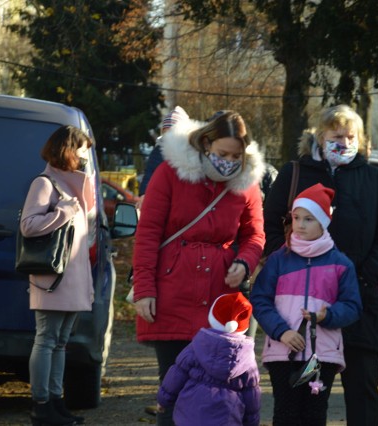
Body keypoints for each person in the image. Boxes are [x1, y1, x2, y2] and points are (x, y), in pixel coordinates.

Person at [263, 105, 378, 425]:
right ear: (320, 136)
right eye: (336, 135)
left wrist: (367, 275)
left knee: (363, 389)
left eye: (350, 136)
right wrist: (287, 270)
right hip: (302, 305)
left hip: (359, 302)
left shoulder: (374, 179)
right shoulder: (295, 173)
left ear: (361, 140)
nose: (343, 141)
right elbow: (269, 224)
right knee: (301, 399)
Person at [132, 110, 266, 426]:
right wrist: (144, 289)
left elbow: (255, 234)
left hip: (219, 300)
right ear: (206, 144)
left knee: (218, 395)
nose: (229, 161)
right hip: (172, 292)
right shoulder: (170, 172)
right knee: (173, 389)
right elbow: (148, 232)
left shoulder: (246, 183)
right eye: (223, 154)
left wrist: (244, 262)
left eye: (236, 155)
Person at [251, 183, 362, 425]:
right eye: (296, 217)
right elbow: (260, 299)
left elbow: (353, 306)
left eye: (309, 219)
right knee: (286, 413)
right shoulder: (279, 259)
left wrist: (328, 316)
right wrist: (282, 331)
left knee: (314, 414)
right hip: (284, 351)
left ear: (323, 222)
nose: (300, 225)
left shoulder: (341, 264)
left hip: (322, 354)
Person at [19, 125, 97, 426]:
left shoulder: (72, 184)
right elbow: (29, 225)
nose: (85, 155)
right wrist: (62, 212)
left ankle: (55, 401)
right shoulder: (46, 183)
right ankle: (41, 405)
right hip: (52, 278)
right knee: (47, 339)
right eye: (82, 148)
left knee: (61, 341)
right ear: (68, 149)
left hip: (72, 278)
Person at [156, 292, 261, 425]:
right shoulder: (247, 357)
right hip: (227, 413)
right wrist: (252, 420)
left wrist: (164, 399)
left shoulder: (197, 345)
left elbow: (177, 373)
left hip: (191, 408)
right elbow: (251, 391)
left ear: (213, 318)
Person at [136, 105, 189, 210]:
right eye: (166, 134)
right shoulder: (159, 151)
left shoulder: (192, 153)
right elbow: (150, 173)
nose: (169, 139)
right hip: (163, 199)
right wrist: (144, 194)